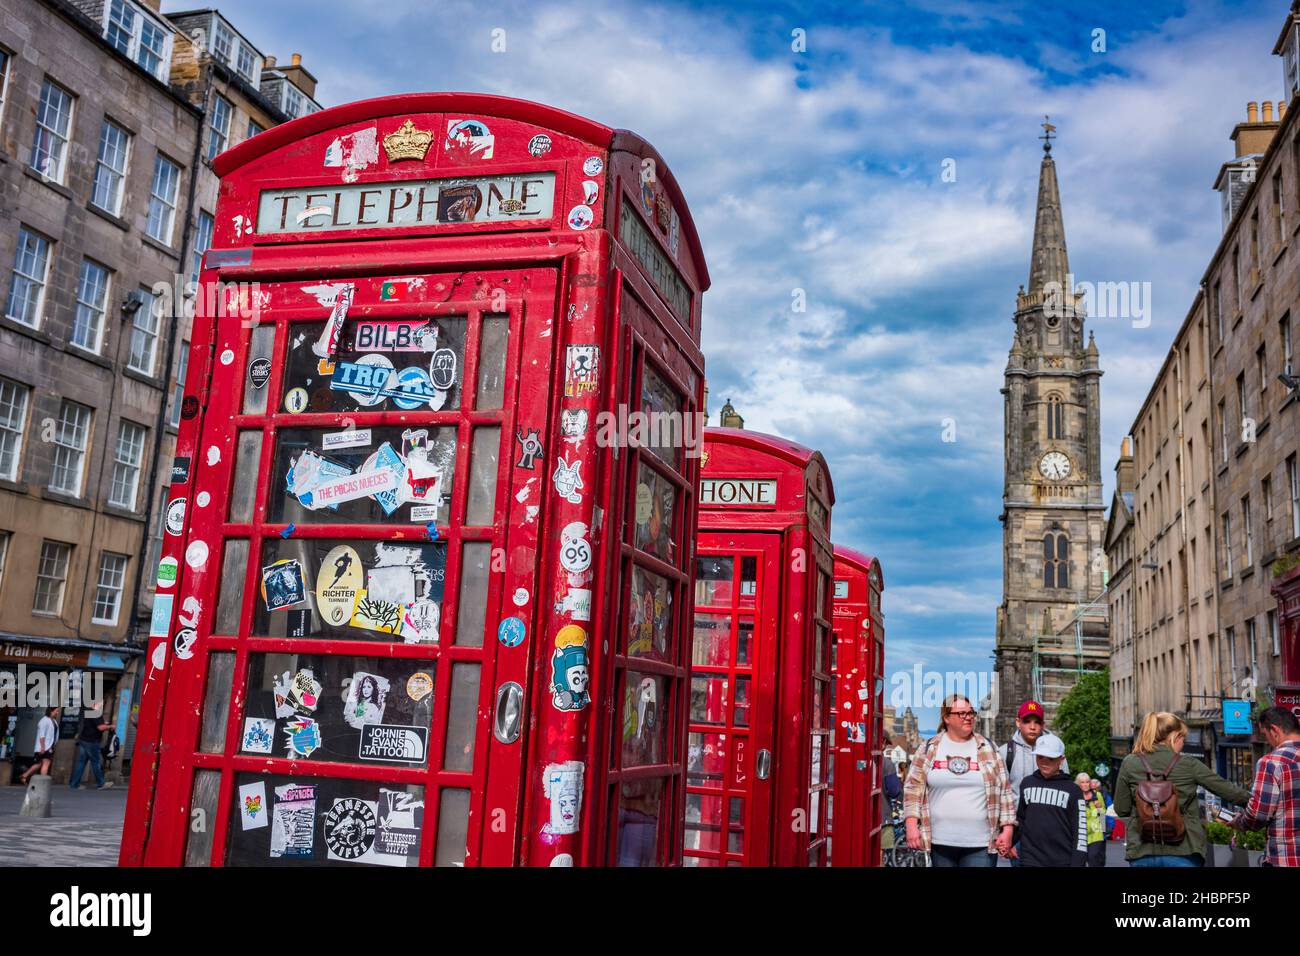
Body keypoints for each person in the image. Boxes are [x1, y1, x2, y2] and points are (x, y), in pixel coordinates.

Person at [1113, 711, 1249, 866]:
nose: (1183, 743)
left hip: (1142, 850)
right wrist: (1262, 803)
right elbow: (1230, 792)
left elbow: (1121, 809)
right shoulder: (1188, 764)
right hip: (1184, 849)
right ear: (1174, 737)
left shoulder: (1130, 763)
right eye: (1183, 738)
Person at [902, 694, 1015, 867]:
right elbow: (912, 790)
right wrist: (911, 826)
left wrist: (1007, 830)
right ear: (947, 718)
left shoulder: (989, 748)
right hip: (940, 842)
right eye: (961, 713)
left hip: (981, 844)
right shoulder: (928, 748)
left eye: (971, 713)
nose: (968, 717)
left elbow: (1005, 792)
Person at [1232, 705, 1299, 867]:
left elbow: (1258, 815)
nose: (1267, 741)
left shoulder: (1272, 762)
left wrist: (1240, 822)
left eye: (1265, 734)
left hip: (1287, 858)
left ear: (1275, 730)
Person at [1014, 735, 1087, 867]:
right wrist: (1009, 842)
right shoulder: (1027, 783)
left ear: (1061, 759)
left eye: (1051, 758)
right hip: (1030, 859)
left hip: (1062, 861)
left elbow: (1080, 831)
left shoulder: (1073, 790)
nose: (1044, 761)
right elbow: (1021, 820)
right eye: (1040, 757)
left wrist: (1077, 862)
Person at [1000, 699, 1069, 804]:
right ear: (1018, 722)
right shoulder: (1005, 752)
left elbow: (1066, 785)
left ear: (1043, 725)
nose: (1032, 727)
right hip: (1017, 818)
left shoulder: (1056, 750)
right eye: (1027, 721)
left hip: (1049, 817)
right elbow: (1000, 791)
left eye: (1037, 722)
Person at [69, 702, 114, 790]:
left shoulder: (89, 712)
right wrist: (110, 726)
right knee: (96, 762)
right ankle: (101, 783)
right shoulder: (96, 713)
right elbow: (100, 727)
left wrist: (104, 723)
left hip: (84, 740)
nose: (102, 704)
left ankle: (74, 784)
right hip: (92, 742)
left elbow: (94, 723)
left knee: (81, 763)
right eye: (101, 702)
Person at [19, 707, 60, 784]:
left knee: (38, 764)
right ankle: (42, 783)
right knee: (46, 763)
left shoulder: (53, 721)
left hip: (49, 746)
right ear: (51, 711)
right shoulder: (44, 721)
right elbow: (42, 735)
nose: (57, 713)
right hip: (45, 747)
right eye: (56, 711)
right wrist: (42, 747)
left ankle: (24, 775)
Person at [1076, 772, 1107, 866]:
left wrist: (1099, 807)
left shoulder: (1097, 795)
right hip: (1080, 835)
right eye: (1082, 782)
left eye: (1087, 782)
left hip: (1096, 834)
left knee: (1094, 860)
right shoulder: (1075, 796)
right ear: (1078, 783)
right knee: (1079, 862)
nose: (1085, 785)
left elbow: (1103, 814)